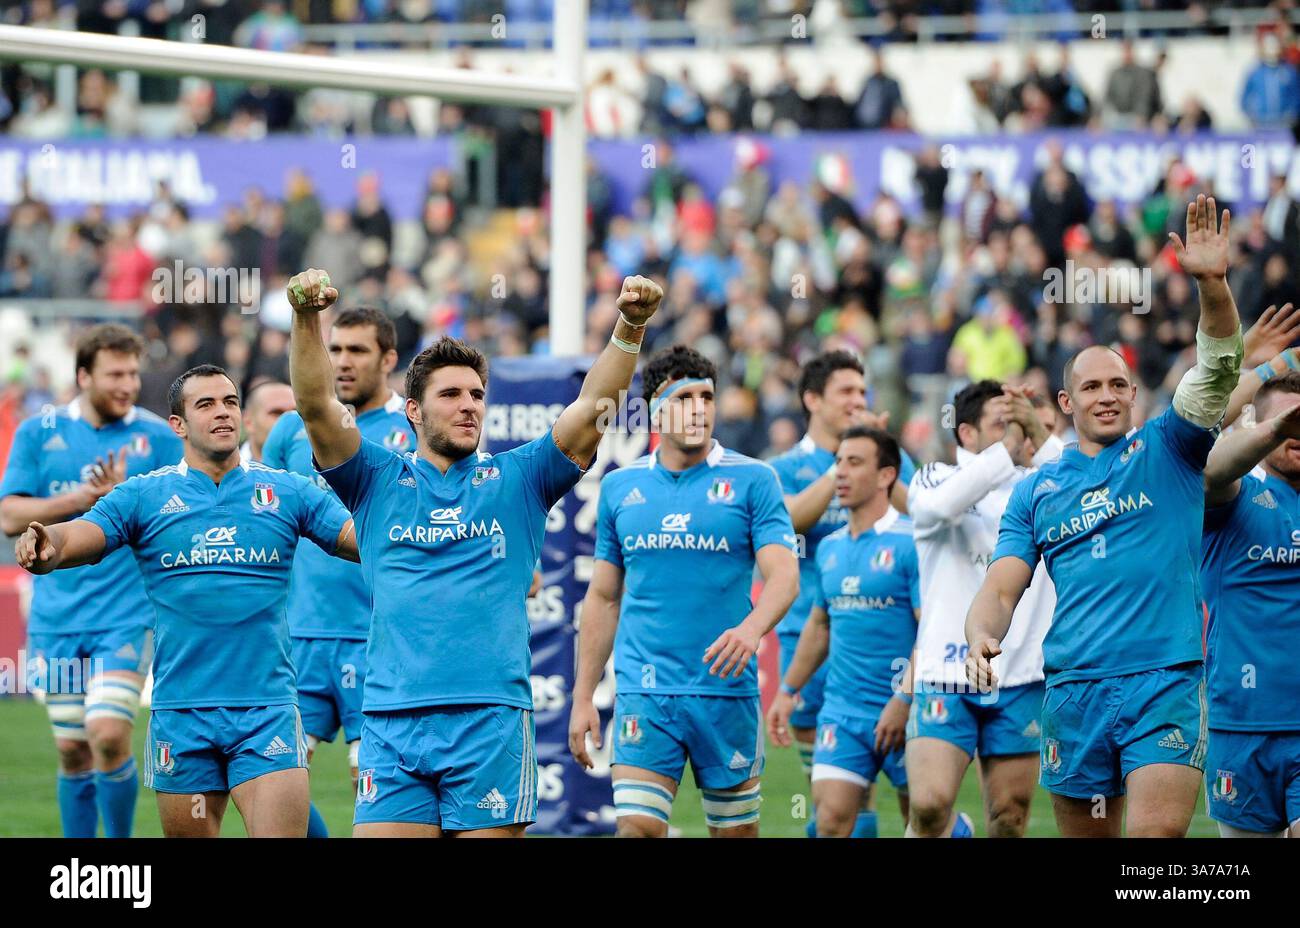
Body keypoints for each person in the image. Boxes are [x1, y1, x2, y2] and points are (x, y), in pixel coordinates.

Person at [284, 266, 662, 837]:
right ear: (412, 410)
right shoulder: (373, 479)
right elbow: (315, 405)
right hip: (391, 722)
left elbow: (591, 408)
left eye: (478, 395)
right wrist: (306, 318)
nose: (470, 406)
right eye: (451, 394)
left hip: (490, 723)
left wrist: (629, 326)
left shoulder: (520, 478)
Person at [965, 196, 1243, 837]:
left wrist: (1212, 286)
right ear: (1066, 402)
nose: (1108, 395)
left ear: (1135, 393)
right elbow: (1002, 586)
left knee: (1155, 844)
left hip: (1163, 681)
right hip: (1073, 690)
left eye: (1118, 384)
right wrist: (982, 634)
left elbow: (1221, 366)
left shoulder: (1169, 446)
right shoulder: (1038, 491)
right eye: (1091, 386)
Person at [15, 365, 358, 837]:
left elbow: (359, 538)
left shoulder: (286, 491)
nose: (223, 413)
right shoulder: (144, 495)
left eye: (231, 402)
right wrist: (48, 542)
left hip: (267, 709)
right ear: (177, 424)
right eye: (206, 404)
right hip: (182, 716)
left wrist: (424, 529)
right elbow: (83, 534)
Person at [567, 345, 799, 838]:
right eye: (684, 397)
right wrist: (583, 694)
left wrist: (752, 629)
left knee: (734, 834)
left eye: (707, 396)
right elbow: (604, 597)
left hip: (725, 691)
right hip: (645, 691)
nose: (698, 408)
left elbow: (784, 576)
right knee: (636, 830)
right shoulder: (620, 487)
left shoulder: (754, 479)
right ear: (654, 408)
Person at [0, 324, 181, 838]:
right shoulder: (39, 431)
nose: (127, 385)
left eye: (132, 374)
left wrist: (126, 500)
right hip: (57, 618)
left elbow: (181, 512)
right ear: (83, 375)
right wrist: (79, 501)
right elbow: (10, 515)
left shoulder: (159, 437)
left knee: (106, 733)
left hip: (125, 616)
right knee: (72, 749)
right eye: (115, 374)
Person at [261, 307, 414, 838]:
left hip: (380, 639)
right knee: (269, 782)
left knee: (375, 796)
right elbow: (267, 522)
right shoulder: (290, 430)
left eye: (358, 351)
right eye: (336, 349)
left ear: (389, 359)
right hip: (298, 637)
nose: (343, 362)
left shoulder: (413, 428)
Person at [905, 381, 1061, 838]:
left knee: (1010, 818)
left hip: (1021, 673)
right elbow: (938, 507)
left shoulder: (1040, 486)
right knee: (930, 806)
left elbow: (1087, 488)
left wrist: (1037, 436)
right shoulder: (935, 476)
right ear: (967, 434)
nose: (1015, 431)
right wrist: (1010, 449)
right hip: (947, 669)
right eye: (1001, 422)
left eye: (1020, 421)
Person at [766, 351, 913, 836]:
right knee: (833, 794)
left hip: (884, 645)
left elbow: (919, 513)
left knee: (914, 795)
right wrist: (844, 463)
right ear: (812, 399)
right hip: (808, 635)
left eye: (862, 390)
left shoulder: (884, 454)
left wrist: (875, 451)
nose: (858, 400)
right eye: (846, 391)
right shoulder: (783, 468)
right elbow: (789, 521)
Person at [1201, 370, 1300, 836]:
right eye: (1285, 423)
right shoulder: (1237, 496)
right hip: (1239, 725)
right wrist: (1268, 427)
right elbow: (1212, 468)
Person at [240, 380, 295, 463]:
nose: (289, 420)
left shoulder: (318, 468)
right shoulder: (226, 470)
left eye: (296, 413)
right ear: (248, 421)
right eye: (277, 413)